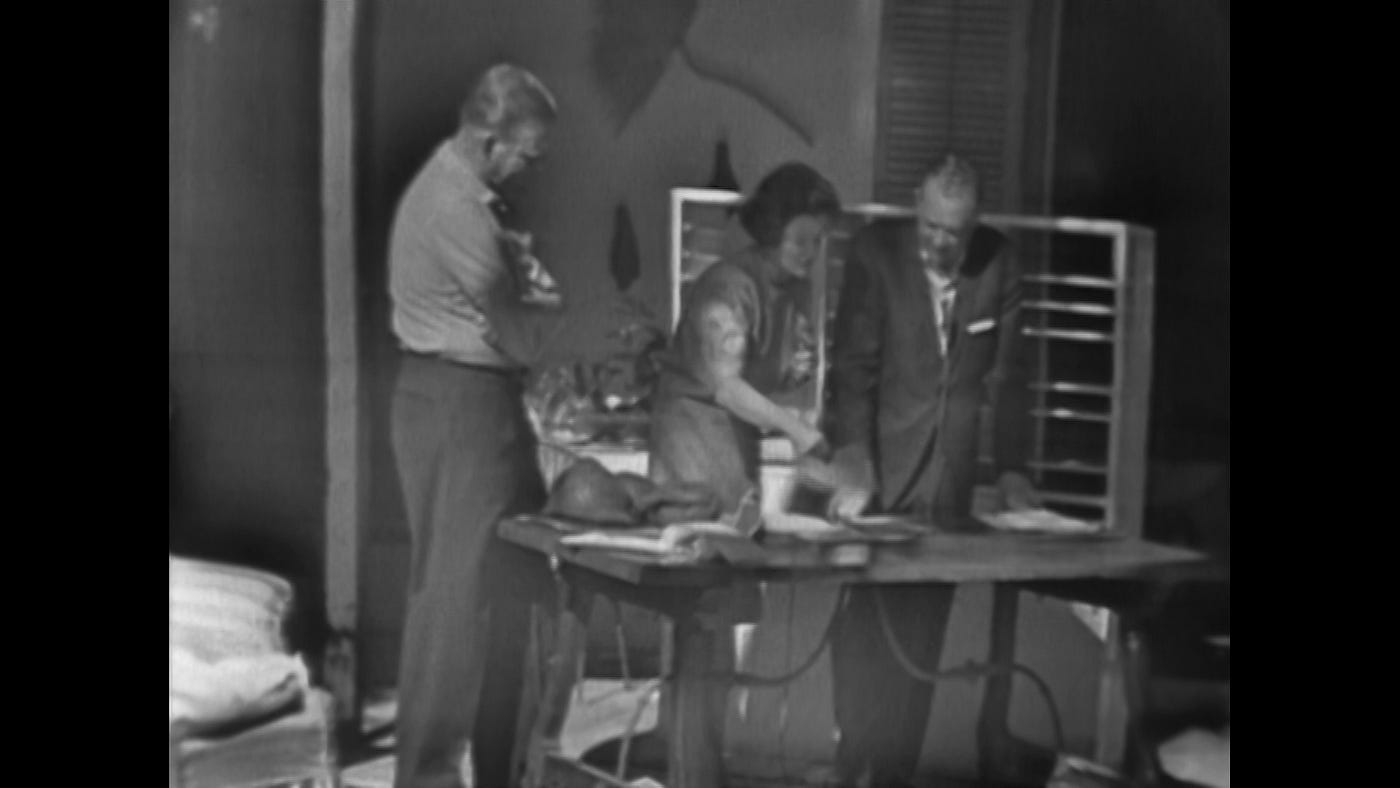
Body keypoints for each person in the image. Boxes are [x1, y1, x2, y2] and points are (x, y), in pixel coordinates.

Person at [824, 154, 1040, 787]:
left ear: (975, 223)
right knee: (862, 632)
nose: (942, 241)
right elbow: (853, 368)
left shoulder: (999, 262)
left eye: (955, 231)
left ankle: (894, 777)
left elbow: (1009, 378)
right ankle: (851, 758)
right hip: (879, 474)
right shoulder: (876, 253)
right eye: (932, 227)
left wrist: (1012, 470)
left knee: (921, 644)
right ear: (917, 204)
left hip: (947, 482)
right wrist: (855, 464)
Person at [386, 62, 559, 788]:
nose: (529, 169)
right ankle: (428, 777)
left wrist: (525, 287)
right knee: (456, 601)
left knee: (521, 587)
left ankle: (507, 772)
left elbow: (514, 310)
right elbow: (524, 335)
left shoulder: (472, 201)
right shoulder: (453, 208)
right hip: (460, 403)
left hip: (478, 402)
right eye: (526, 154)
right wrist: (540, 297)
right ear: (490, 140)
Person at [649, 161, 839, 513]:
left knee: (741, 532)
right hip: (690, 441)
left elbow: (767, 374)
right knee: (701, 535)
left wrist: (797, 369)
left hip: (739, 443)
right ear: (772, 230)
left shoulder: (793, 291)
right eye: (801, 241)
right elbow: (728, 387)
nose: (811, 253)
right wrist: (797, 431)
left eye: (818, 240)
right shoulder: (729, 286)